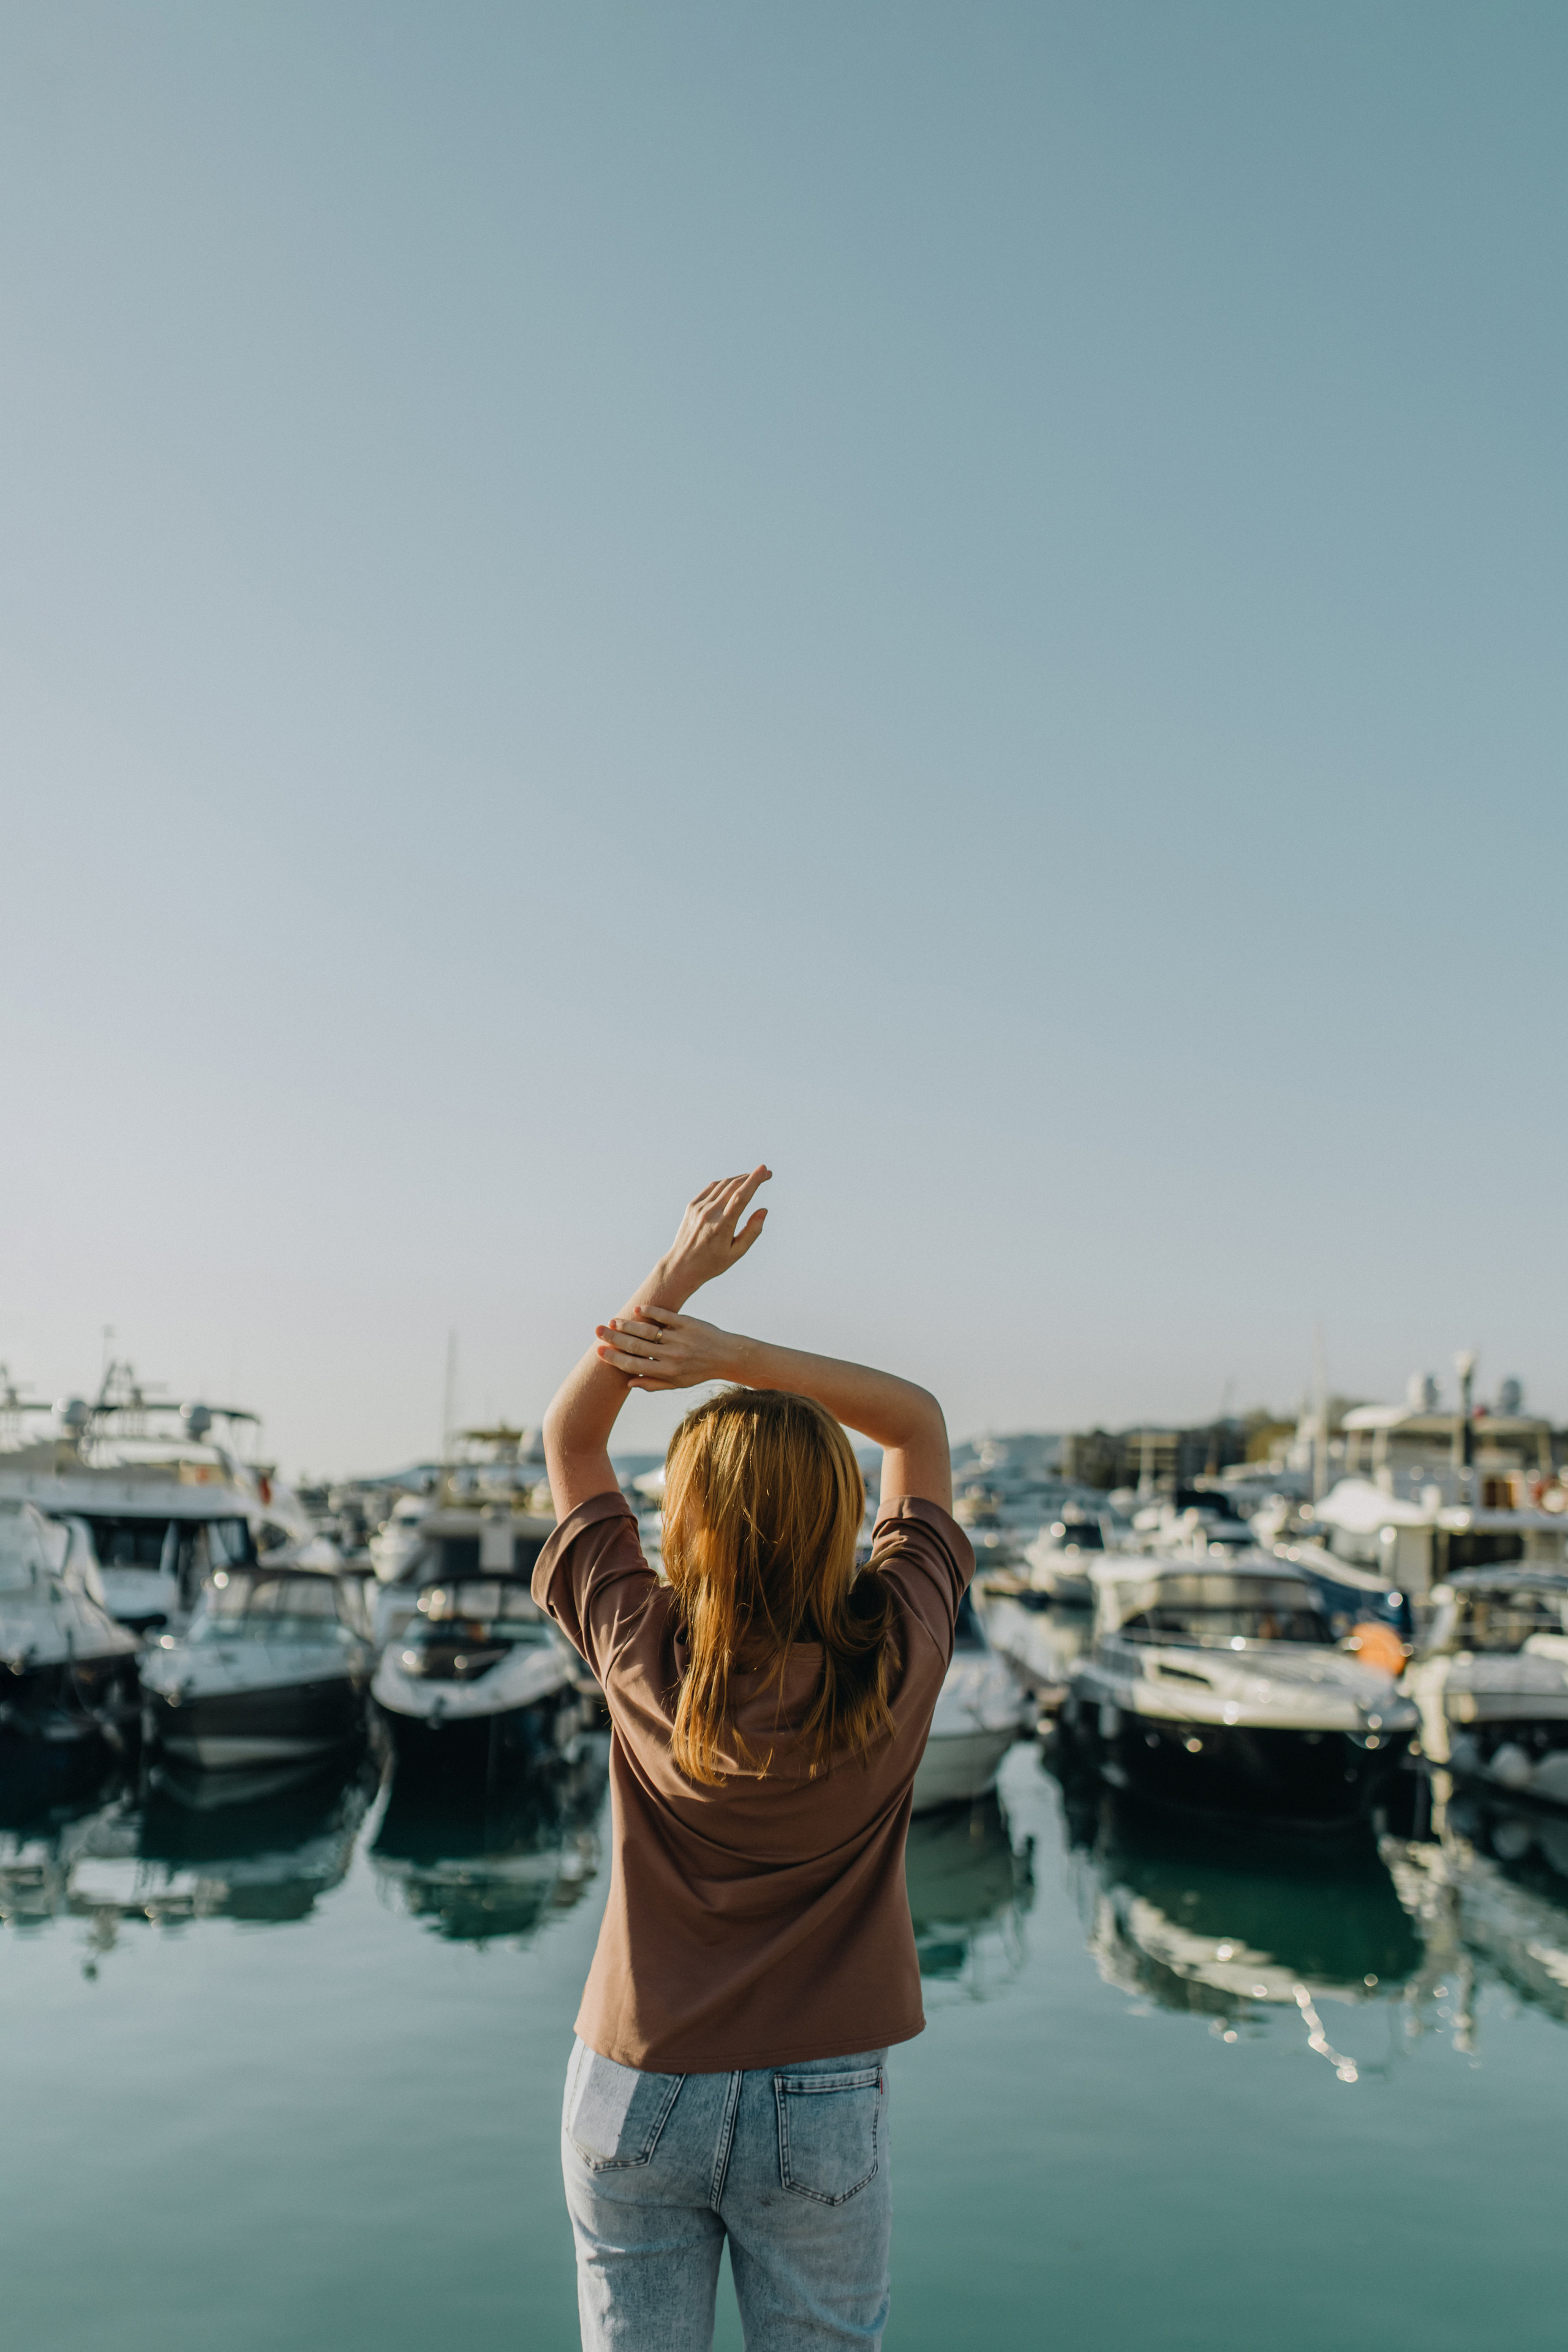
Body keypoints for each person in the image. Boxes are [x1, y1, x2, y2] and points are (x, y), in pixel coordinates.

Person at [533, 1166, 974, 2352]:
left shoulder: (643, 1648)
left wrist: (672, 1285)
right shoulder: (893, 1661)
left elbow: (570, 1435)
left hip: (634, 2079)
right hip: (819, 2097)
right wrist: (734, 1353)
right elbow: (917, 1422)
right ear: (837, 1514)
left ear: (687, 1527)